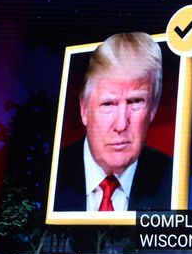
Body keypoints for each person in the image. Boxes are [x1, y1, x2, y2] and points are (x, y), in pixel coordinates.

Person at [54, 31, 172, 212]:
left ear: (153, 108)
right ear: (84, 109)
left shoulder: (175, 180)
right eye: (108, 104)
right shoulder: (47, 174)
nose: (121, 125)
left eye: (135, 102)